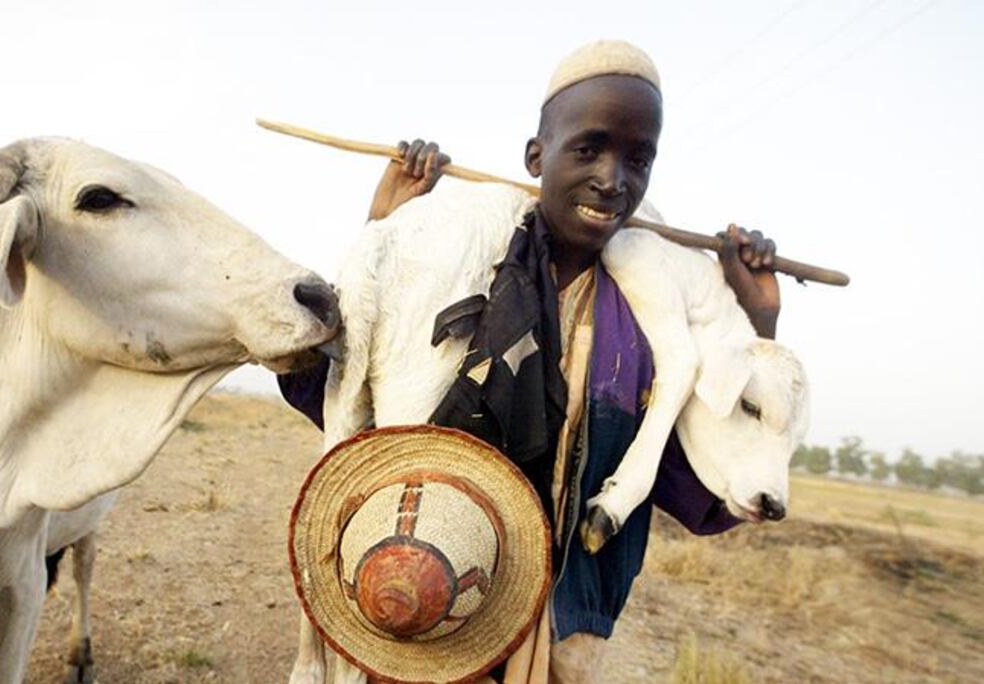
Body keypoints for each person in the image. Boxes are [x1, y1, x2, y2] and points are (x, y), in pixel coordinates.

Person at [280, 40, 781, 683]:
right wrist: (388, 230)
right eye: (589, 148)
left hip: (556, 627)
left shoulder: (653, 330)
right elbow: (330, 388)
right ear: (536, 157)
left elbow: (695, 485)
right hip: (419, 587)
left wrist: (753, 318)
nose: (612, 179)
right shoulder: (459, 265)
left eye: (638, 158)